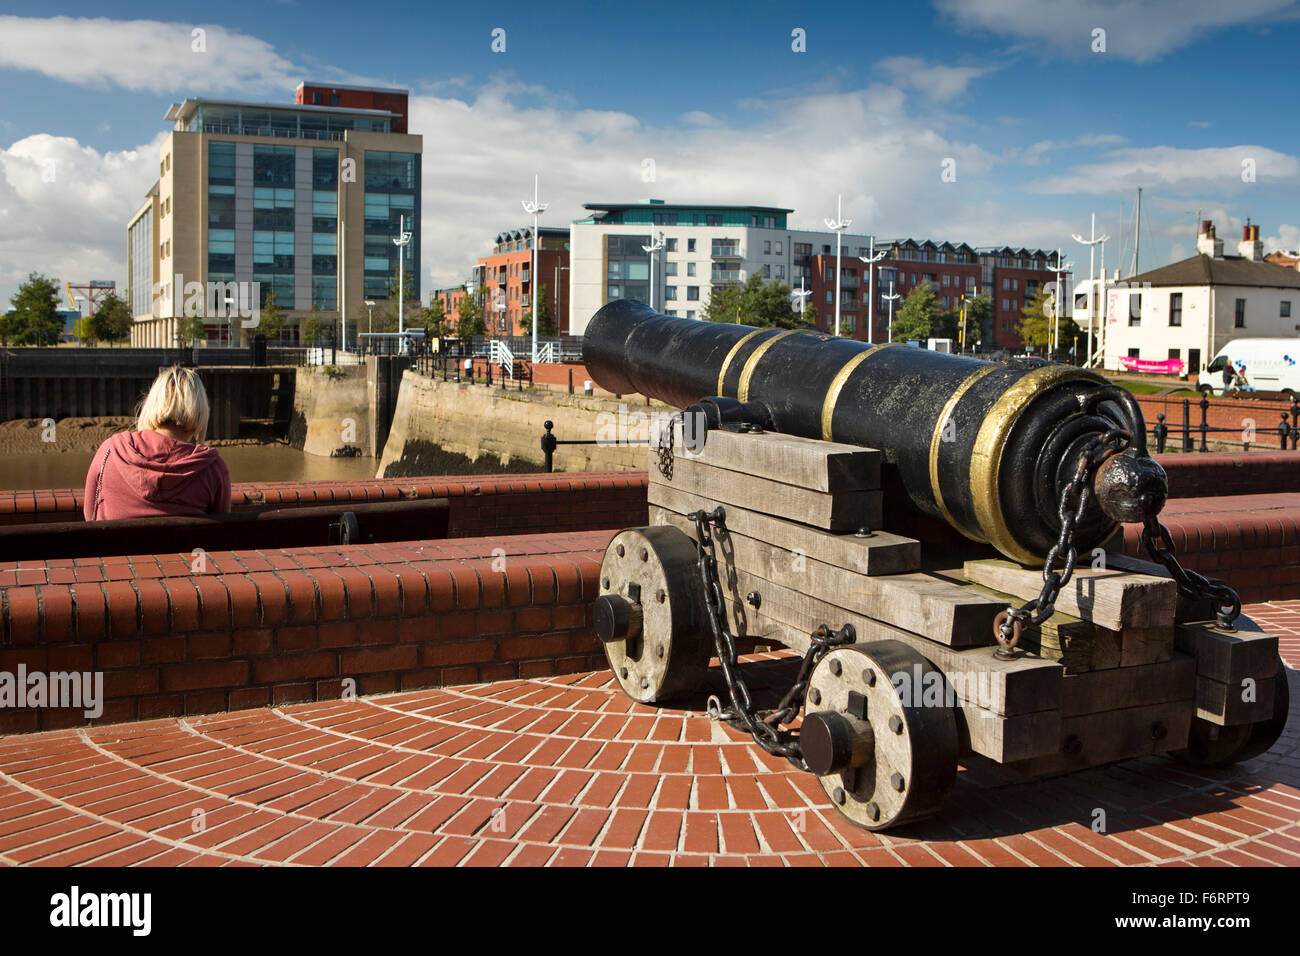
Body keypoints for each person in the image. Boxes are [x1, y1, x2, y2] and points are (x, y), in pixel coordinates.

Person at [84, 365, 231, 521]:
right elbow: (220, 533)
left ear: (152, 402)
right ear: (200, 410)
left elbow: (90, 515)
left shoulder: (110, 452)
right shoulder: (212, 468)